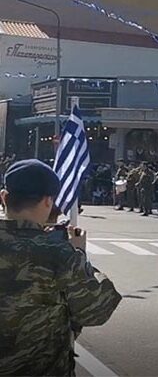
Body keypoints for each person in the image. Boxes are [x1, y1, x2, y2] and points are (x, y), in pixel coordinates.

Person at [0, 159, 122, 375]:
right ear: (48, 201)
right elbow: (97, 311)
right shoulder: (59, 254)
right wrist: (80, 255)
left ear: (4, 197)